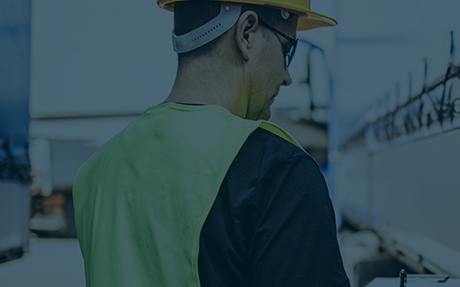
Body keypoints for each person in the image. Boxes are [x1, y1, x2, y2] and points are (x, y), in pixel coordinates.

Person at [72, 1, 348, 286]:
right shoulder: (278, 171)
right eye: (287, 49)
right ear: (247, 33)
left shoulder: (95, 171)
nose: (286, 76)